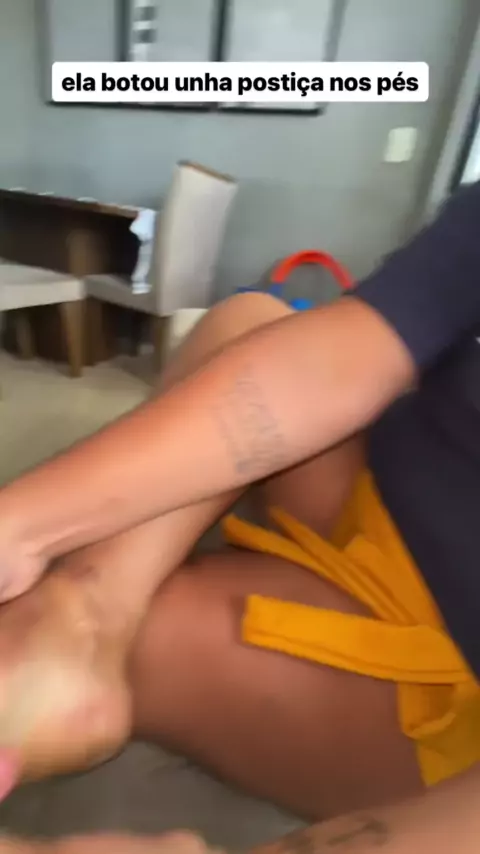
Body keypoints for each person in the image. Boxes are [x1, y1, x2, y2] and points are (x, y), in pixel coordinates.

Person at [0, 179, 480, 854]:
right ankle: (86, 607)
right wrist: (20, 524)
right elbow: (336, 360)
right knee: (247, 320)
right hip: (378, 495)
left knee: (146, 639)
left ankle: (85, 641)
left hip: (450, 665)